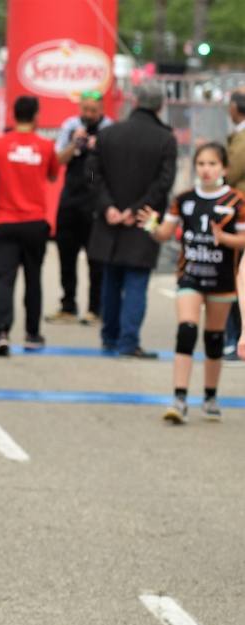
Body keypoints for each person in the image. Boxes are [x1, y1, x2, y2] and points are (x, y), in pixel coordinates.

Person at [139, 142, 245, 422]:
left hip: (222, 278)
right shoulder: (184, 198)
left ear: (224, 168)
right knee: (186, 330)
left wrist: (225, 239)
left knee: (214, 338)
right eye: (201, 164)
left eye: (212, 164)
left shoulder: (236, 201)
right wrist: (151, 223)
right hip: (191, 275)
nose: (206, 170)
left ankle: (210, 396)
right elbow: (164, 234)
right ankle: (179, 398)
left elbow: (244, 239)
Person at [88, 82, 176, 359]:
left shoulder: (108, 134)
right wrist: (137, 209)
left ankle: (109, 337)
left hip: (109, 220)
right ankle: (128, 342)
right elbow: (164, 183)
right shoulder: (165, 139)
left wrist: (108, 207)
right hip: (143, 220)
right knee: (137, 280)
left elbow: (91, 175)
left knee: (111, 279)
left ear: (135, 102)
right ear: (160, 106)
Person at [0, 95, 59, 356]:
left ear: (13, 115)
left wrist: (1, 191)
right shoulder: (46, 146)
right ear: (36, 116)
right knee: (33, 279)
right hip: (35, 222)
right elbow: (54, 174)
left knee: (4, 280)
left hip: (5, 221)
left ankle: (2, 333)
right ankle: (32, 334)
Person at [49, 89, 112, 325]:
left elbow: (111, 167)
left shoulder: (109, 129)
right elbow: (57, 161)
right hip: (71, 198)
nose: (89, 114)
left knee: (96, 260)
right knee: (66, 255)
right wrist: (75, 145)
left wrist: (98, 147)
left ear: (102, 111)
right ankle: (68, 305)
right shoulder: (70, 126)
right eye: (85, 109)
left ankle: (96, 309)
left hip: (96, 196)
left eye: (94, 111)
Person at [224, 90, 245, 365]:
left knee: (237, 277)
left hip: (240, 213)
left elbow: (231, 173)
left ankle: (236, 337)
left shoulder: (242, 139)